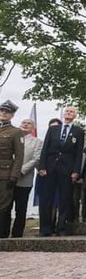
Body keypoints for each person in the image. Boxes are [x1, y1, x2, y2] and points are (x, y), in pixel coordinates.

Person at [38, 106, 84, 236]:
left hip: (67, 169)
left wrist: (76, 171)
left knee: (65, 199)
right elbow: (45, 149)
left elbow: (78, 154)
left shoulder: (78, 131)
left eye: (72, 112)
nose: (69, 113)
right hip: (50, 168)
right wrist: (42, 167)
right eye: (67, 111)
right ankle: (45, 229)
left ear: (75, 115)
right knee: (46, 199)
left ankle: (62, 228)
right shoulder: (53, 129)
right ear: (64, 114)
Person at [4, 119, 42, 238]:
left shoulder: (37, 142)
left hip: (24, 180)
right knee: (5, 208)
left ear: (33, 128)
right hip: (7, 178)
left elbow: (36, 159)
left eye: (29, 123)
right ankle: (3, 233)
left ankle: (17, 235)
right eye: (23, 122)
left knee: (20, 209)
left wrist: (20, 171)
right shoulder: (11, 138)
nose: (25, 124)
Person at [0, 100, 24, 238]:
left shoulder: (16, 132)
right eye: (2, 110)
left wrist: (14, 176)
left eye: (7, 111)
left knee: (3, 206)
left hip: (5, 174)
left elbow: (19, 156)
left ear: (12, 115)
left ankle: (2, 235)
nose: (3, 113)